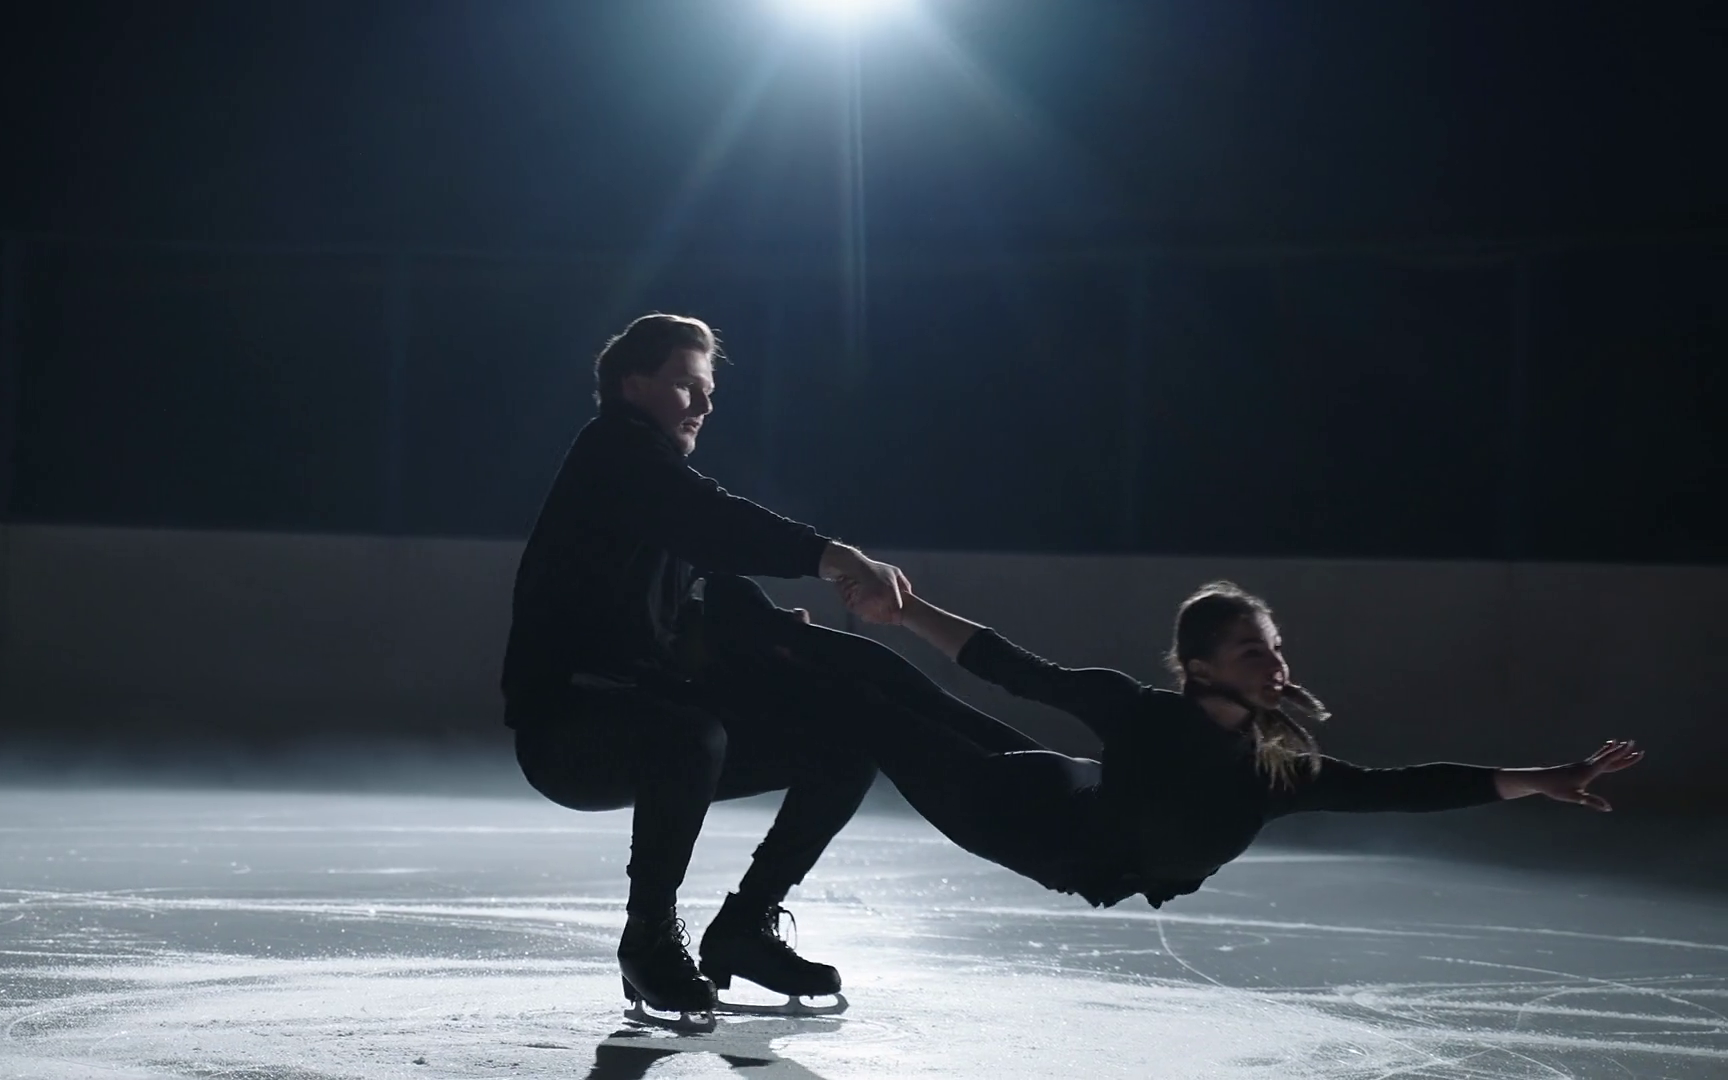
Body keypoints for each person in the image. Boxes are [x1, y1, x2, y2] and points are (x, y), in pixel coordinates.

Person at [708, 574, 1643, 909]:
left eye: (1275, 649)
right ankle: (750, 628)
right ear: (1197, 667)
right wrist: (907, 612)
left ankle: (770, 632)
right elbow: (1012, 668)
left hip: (1056, 807)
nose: (1274, 665)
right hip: (1026, 814)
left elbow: (1404, 786)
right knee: (884, 698)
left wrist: (1544, 778)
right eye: (1252, 652)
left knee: (895, 705)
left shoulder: (1279, 771)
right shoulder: (1141, 713)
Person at [501, 313, 910, 1020]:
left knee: (844, 739)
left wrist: (771, 630)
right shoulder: (612, 456)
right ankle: (649, 940)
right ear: (633, 385)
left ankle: (745, 929)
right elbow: (711, 520)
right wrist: (834, 557)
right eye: (687, 386)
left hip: (648, 710)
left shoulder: (656, 487)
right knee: (689, 736)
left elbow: (702, 586)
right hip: (568, 727)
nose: (705, 405)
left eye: (709, 390)